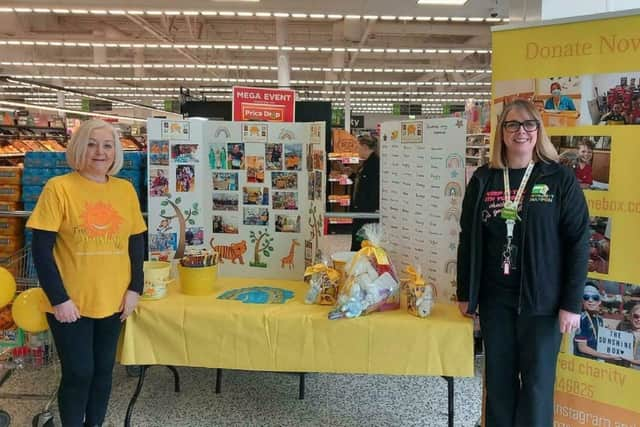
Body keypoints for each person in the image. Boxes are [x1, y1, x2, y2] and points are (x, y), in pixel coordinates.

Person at [457, 100, 589, 427]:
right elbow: (468, 238)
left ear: (539, 131)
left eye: (530, 124)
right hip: (495, 301)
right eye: (513, 125)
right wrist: (465, 292)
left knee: (537, 388)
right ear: (501, 132)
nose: (522, 132)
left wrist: (571, 303)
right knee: (499, 385)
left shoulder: (559, 179)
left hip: (543, 304)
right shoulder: (484, 179)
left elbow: (578, 242)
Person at [28, 119, 146, 427]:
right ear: (79, 148)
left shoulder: (125, 190)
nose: (100, 152)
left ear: (116, 152)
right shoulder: (59, 189)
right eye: (92, 144)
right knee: (79, 372)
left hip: (114, 299)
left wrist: (135, 288)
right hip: (71, 304)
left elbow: (136, 242)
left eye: (107, 145)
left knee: (103, 371)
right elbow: (41, 249)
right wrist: (59, 299)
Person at [574, 283, 621, 362]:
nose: (590, 300)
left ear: (599, 302)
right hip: (583, 362)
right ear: (582, 301)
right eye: (586, 297)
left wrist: (609, 333)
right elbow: (582, 348)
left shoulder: (599, 319)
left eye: (595, 298)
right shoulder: (582, 319)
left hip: (595, 362)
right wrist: (606, 356)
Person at [350, 134, 380, 251]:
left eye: (358, 146)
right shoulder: (367, 163)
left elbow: (372, 190)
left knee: (362, 244)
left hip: (366, 213)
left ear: (365, 147)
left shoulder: (374, 165)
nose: (357, 149)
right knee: (358, 242)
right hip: (360, 211)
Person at [617, 303, 640, 370]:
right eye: (636, 316)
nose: (638, 319)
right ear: (630, 317)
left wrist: (628, 359)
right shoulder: (623, 334)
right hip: (623, 373)